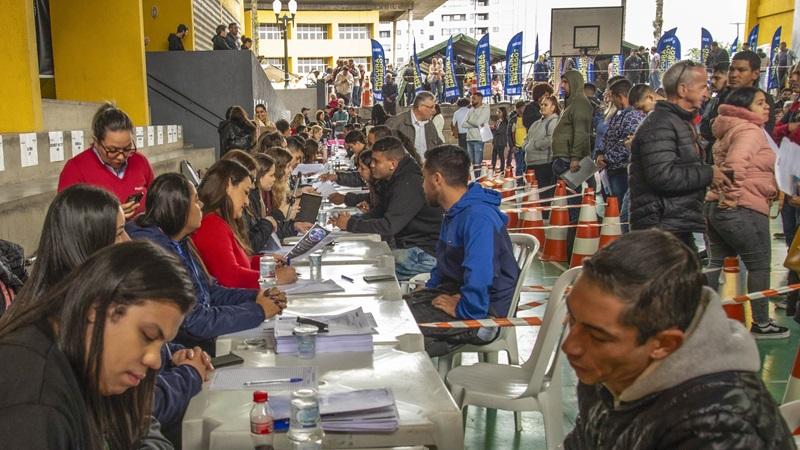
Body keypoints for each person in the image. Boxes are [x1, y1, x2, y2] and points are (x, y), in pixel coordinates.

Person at [562, 229, 794, 449]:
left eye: (597, 336)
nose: (570, 346)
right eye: (571, 318)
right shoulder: (606, 371)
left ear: (664, 344)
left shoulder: (717, 429)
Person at [0, 240, 196, 449]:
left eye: (162, 343)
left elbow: (141, 427)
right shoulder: (34, 397)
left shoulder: (96, 364)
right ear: (97, 308)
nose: (155, 360)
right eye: (148, 335)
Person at [128, 173, 288, 349]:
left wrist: (256, 296)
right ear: (179, 208)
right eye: (196, 201)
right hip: (188, 349)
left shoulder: (181, 241)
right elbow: (194, 322)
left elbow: (209, 291)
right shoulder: (158, 256)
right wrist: (258, 311)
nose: (202, 205)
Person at [411, 145, 520, 356]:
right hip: (460, 295)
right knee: (395, 310)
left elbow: (480, 272)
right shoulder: (455, 212)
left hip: (486, 316)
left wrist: (465, 309)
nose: (422, 186)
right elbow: (444, 263)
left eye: (424, 179)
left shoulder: (478, 217)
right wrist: (429, 291)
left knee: (400, 328)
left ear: (437, 179)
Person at [703, 87, 787, 338]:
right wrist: (730, 200)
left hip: (715, 206)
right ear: (744, 107)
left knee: (715, 263)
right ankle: (762, 323)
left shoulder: (728, 128)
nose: (767, 107)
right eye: (760, 103)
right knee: (759, 265)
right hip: (743, 206)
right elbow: (736, 166)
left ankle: (700, 317)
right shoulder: (750, 131)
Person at [629, 61, 729, 249]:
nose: (706, 93)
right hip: (661, 227)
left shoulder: (679, 122)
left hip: (673, 223)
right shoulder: (661, 124)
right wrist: (708, 174)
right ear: (683, 90)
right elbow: (662, 176)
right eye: (702, 87)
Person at [329, 137, 442, 280]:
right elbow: (380, 211)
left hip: (423, 253)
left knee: (365, 271)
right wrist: (351, 220)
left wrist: (351, 224)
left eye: (376, 161)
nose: (372, 165)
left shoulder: (408, 183)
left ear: (392, 164)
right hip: (410, 246)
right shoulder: (397, 179)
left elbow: (389, 226)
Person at [191, 160, 298, 289]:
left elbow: (238, 263)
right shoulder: (211, 224)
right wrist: (273, 277)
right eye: (246, 192)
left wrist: (264, 262)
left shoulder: (220, 221)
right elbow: (230, 278)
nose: (247, 202)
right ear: (229, 185)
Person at [58, 103, 154, 219]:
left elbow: (155, 199)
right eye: (112, 150)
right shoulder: (75, 169)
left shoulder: (140, 161)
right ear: (96, 142)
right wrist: (110, 216)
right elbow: (66, 217)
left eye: (127, 148)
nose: (121, 157)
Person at [595, 79, 646, 202]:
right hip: (611, 170)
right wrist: (600, 153)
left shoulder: (633, 116)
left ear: (621, 97)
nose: (611, 101)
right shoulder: (619, 114)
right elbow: (607, 135)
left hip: (623, 171)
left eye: (613, 97)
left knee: (620, 205)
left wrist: (606, 158)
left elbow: (625, 145)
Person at [551, 70, 593, 203]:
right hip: (564, 158)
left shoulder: (580, 103)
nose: (562, 86)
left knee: (570, 198)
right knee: (564, 198)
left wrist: (575, 158)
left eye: (565, 82)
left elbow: (581, 132)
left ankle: (574, 216)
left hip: (569, 160)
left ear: (574, 83)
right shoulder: (571, 103)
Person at [261, 147, 314, 238]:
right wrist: (282, 213)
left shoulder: (278, 189)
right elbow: (266, 229)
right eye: (288, 166)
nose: (291, 170)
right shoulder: (266, 193)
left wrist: (294, 226)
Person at [385, 91, 442, 158]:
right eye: (431, 107)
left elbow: (438, 146)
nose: (434, 111)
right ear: (420, 107)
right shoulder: (395, 123)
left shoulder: (430, 125)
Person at [523, 94, 560, 192]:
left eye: (546, 105)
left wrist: (535, 145)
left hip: (544, 165)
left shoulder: (554, 121)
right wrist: (526, 146)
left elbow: (551, 139)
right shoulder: (536, 123)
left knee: (543, 194)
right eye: (542, 104)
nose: (542, 106)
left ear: (553, 107)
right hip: (530, 163)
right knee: (530, 194)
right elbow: (527, 137)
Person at [462, 92, 490, 177]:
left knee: (477, 163)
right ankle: (473, 179)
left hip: (479, 138)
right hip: (469, 138)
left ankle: (478, 179)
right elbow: (463, 124)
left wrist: (470, 121)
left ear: (480, 98)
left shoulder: (485, 108)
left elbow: (478, 122)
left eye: (474, 98)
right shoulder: (471, 109)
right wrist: (476, 123)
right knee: (471, 162)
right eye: (471, 98)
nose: (472, 100)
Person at [507, 100, 529, 176]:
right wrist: (512, 146)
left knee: (527, 166)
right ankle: (519, 182)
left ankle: (527, 181)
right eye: (518, 108)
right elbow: (509, 134)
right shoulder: (512, 120)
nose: (520, 110)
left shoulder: (528, 119)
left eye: (522, 108)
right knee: (519, 167)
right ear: (516, 109)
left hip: (527, 147)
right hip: (517, 147)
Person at [491, 106, 509, 173]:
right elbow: (496, 129)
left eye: (499, 112)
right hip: (496, 141)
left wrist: (492, 129)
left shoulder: (505, 121)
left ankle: (502, 169)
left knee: (501, 155)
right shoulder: (498, 121)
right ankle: (492, 168)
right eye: (497, 111)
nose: (497, 113)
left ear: (503, 113)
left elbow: (501, 131)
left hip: (501, 141)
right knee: (494, 155)